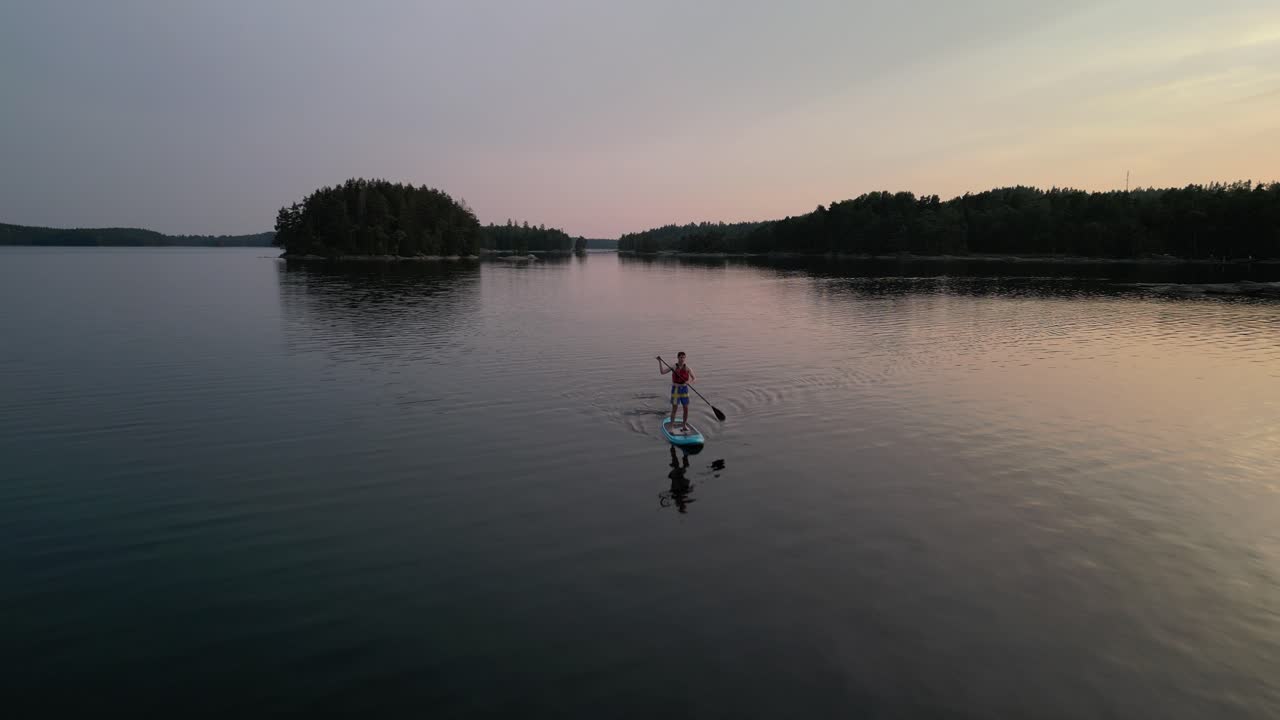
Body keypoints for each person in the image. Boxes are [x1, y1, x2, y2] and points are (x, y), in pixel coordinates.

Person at [658, 351, 695, 430]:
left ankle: (684, 425)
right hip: (676, 390)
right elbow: (662, 372)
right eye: (681, 357)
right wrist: (660, 362)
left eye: (683, 357)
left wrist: (689, 382)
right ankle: (671, 426)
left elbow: (694, 378)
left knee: (686, 408)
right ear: (678, 358)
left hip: (684, 390)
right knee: (675, 408)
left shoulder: (688, 368)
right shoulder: (673, 367)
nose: (682, 359)